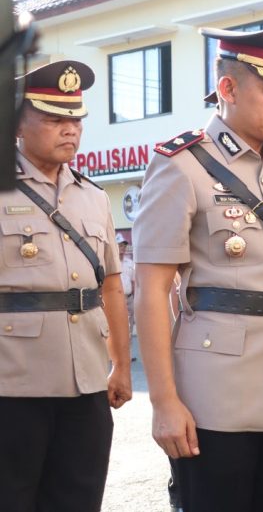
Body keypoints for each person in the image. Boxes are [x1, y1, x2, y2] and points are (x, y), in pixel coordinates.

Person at [132, 22, 263, 512]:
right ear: (227, 89)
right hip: (213, 392)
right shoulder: (181, 164)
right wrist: (163, 402)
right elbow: (152, 290)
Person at [0, 60, 132, 511]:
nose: (69, 130)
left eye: (75, 119)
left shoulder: (93, 196)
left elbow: (110, 285)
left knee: (79, 498)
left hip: (86, 384)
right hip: (12, 385)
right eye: (54, 118)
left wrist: (122, 365)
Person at [117, 233, 137, 338]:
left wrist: (134, 299)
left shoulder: (130, 263)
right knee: (117, 327)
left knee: (129, 328)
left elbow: (133, 282)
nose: (122, 248)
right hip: (116, 299)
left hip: (129, 299)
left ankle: (128, 353)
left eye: (124, 246)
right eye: (120, 245)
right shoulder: (112, 263)